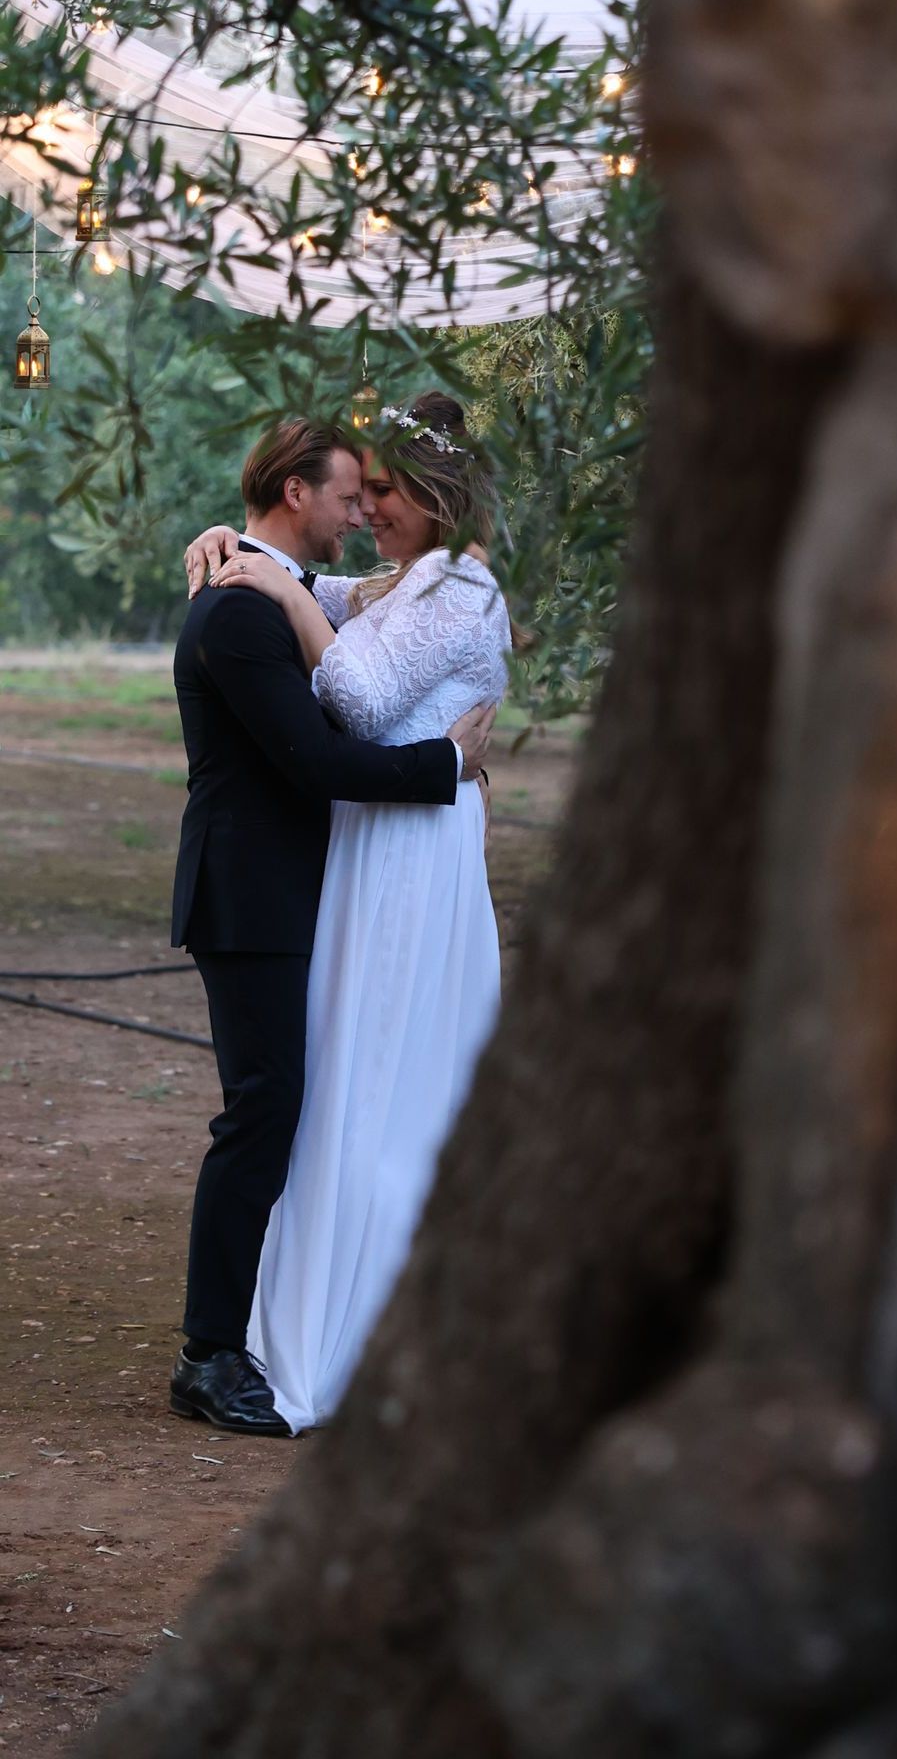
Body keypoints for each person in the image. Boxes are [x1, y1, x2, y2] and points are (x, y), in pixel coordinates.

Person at [182, 391, 509, 1433]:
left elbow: (350, 656)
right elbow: (333, 702)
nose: (363, 508)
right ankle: (233, 1345)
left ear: (427, 499)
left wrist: (281, 584)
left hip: (387, 865)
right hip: (313, 870)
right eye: (351, 491)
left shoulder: (448, 587)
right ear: (299, 493)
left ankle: (345, 1322)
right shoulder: (307, 596)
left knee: (367, 1089)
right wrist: (448, 765)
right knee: (298, 1102)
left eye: (380, 494)